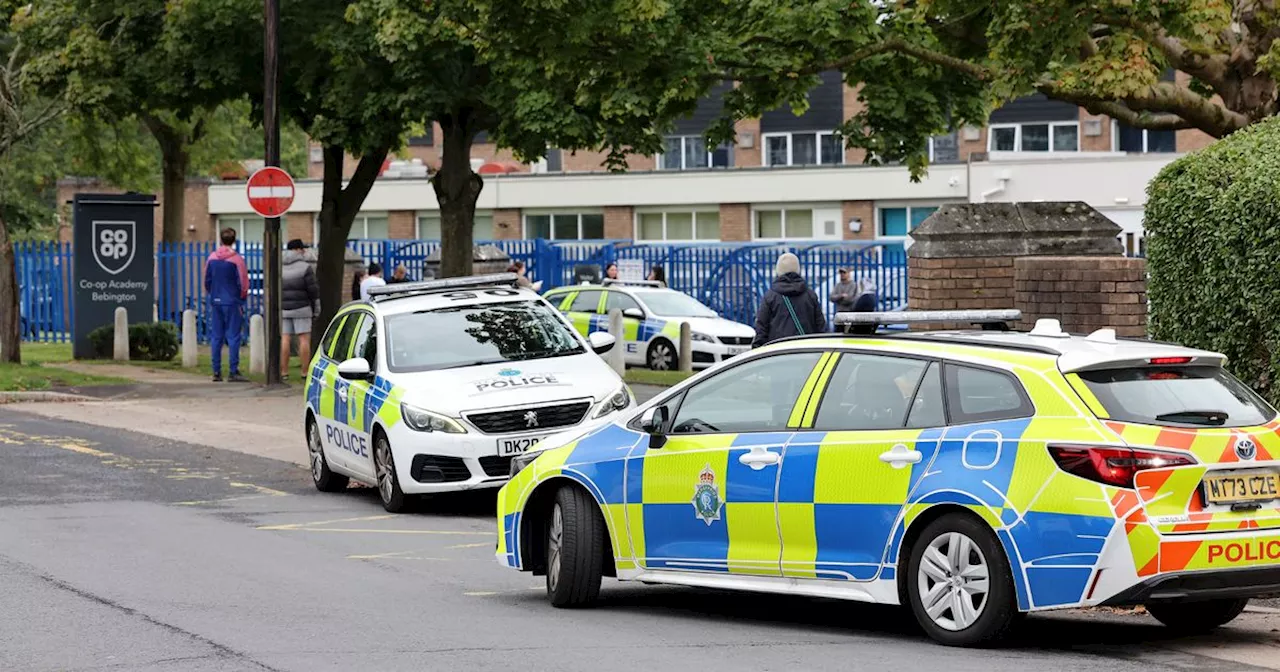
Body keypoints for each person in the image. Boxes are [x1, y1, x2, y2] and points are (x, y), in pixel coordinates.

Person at [752, 252, 826, 348]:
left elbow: (762, 328)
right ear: (798, 270)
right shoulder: (810, 295)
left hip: (778, 350)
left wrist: (757, 349)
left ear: (778, 271)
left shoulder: (771, 296)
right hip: (807, 350)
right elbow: (821, 327)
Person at [204, 227, 250, 382]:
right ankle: (233, 371)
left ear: (221, 239)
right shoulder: (237, 260)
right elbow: (243, 282)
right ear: (234, 240)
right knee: (233, 336)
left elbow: (207, 280)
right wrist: (241, 297)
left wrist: (212, 293)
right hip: (232, 301)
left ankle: (216, 371)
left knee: (216, 336)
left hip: (216, 300)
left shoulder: (211, 258)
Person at [281, 239, 320, 381]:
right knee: (303, 339)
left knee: (284, 339)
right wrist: (316, 307)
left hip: (284, 308)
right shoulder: (305, 267)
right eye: (302, 249)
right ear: (298, 250)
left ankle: (284, 372)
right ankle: (305, 372)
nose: (304, 251)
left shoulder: (280, 266)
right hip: (302, 307)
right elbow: (313, 290)